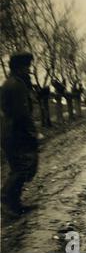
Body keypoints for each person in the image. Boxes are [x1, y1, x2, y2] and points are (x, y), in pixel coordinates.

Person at [1, 52, 39, 215]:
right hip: (15, 132)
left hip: (12, 132)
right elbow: (21, 114)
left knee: (19, 166)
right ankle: (6, 198)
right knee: (24, 167)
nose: (28, 70)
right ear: (18, 68)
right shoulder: (16, 85)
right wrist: (33, 134)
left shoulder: (13, 83)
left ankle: (15, 204)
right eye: (26, 67)